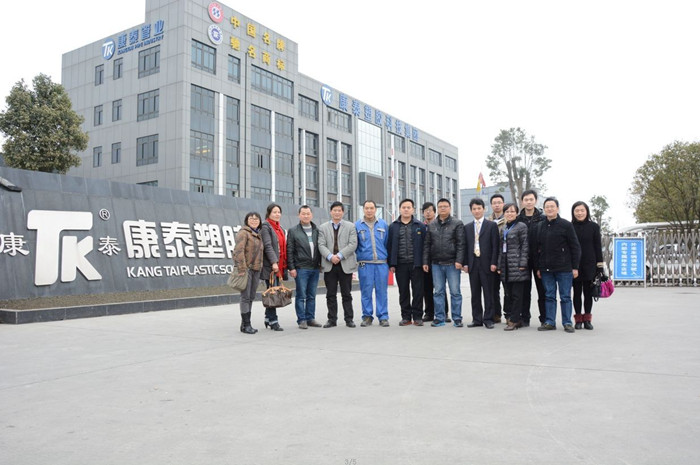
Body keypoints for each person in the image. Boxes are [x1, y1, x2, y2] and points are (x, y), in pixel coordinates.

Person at [533, 197, 581, 333]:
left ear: (557, 208)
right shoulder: (540, 226)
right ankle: (549, 322)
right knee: (549, 296)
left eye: (552, 206)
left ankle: (567, 322)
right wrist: (538, 268)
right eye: (547, 207)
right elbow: (537, 249)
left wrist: (575, 267)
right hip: (546, 268)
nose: (549, 209)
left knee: (565, 296)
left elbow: (575, 247)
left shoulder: (566, 225)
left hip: (564, 268)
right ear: (544, 209)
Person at [422, 198, 465, 327]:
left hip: (452, 264)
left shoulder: (457, 223)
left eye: (445, 206)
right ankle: (439, 317)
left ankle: (457, 318)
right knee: (438, 292)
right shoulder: (432, 225)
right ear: (438, 209)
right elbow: (427, 245)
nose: (443, 208)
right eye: (440, 206)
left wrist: (459, 260)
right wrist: (425, 261)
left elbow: (461, 244)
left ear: (450, 208)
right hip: (436, 264)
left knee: (455, 292)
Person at [318, 202, 358, 328]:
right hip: (329, 264)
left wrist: (339, 256)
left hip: (345, 264)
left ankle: (349, 319)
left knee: (347, 294)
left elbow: (353, 244)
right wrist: (330, 256)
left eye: (339, 210)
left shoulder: (350, 226)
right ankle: (332, 319)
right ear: (330, 212)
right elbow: (321, 245)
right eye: (334, 210)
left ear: (343, 212)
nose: (337, 212)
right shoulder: (323, 227)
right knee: (330, 294)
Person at [388, 198, 427, 326]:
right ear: (400, 209)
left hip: (416, 264)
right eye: (403, 207)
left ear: (413, 210)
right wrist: (392, 264)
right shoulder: (393, 226)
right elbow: (390, 246)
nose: (406, 209)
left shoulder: (420, 226)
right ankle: (406, 317)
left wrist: (424, 262)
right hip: (400, 264)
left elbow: (425, 246)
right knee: (403, 291)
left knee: (418, 291)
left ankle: (417, 317)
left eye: (408, 207)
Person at [463, 198, 500, 329]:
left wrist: (494, 262)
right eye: (474, 209)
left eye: (479, 208)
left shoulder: (491, 225)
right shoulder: (467, 227)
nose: (477, 211)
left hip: (487, 263)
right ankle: (477, 319)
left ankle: (488, 318)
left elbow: (495, 246)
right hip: (473, 263)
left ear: (484, 209)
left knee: (488, 292)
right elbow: (465, 247)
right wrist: (465, 263)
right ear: (471, 210)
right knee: (475, 293)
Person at [286, 205, 323, 329]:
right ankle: (301, 319)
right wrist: (291, 267)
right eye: (303, 213)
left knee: (312, 295)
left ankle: (310, 318)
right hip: (301, 268)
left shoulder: (317, 230)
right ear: (299, 215)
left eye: (308, 213)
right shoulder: (293, 231)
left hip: (315, 268)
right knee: (301, 295)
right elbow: (290, 250)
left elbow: (321, 248)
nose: (306, 216)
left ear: (312, 215)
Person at [356, 200, 390, 327]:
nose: (369, 210)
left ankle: (383, 316)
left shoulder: (383, 224)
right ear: (363, 209)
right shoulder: (357, 225)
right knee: (366, 291)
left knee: (382, 291)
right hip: (365, 264)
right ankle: (367, 316)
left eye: (371, 208)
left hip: (381, 263)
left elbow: (387, 242)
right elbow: (355, 245)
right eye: (367, 208)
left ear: (375, 209)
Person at [571, 201, 604, 330]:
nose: (579, 213)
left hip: (590, 264)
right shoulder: (569, 226)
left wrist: (600, 266)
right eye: (577, 211)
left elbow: (598, 247)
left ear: (587, 212)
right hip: (575, 265)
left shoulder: (594, 227)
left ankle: (587, 319)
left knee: (588, 293)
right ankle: (578, 319)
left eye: (582, 210)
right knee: (577, 293)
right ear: (573, 212)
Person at [497, 203, 530, 331]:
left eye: (512, 211)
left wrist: (522, 263)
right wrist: (499, 265)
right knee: (509, 294)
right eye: (507, 211)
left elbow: (525, 246)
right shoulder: (504, 228)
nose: (509, 214)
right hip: (506, 266)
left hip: (517, 266)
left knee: (517, 295)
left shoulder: (521, 226)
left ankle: (515, 320)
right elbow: (501, 249)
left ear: (517, 213)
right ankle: (515, 318)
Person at [517, 189, 546, 327]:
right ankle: (525, 317)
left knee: (542, 290)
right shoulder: (518, 219)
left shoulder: (543, 218)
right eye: (526, 200)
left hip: (539, 258)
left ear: (536, 201)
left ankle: (545, 318)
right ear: (522, 202)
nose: (528, 202)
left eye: (531, 199)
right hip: (523, 259)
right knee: (524, 290)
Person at [233, 212, 264, 335]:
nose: (254, 220)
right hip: (246, 269)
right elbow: (238, 251)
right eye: (251, 218)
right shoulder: (243, 233)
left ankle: (244, 324)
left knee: (251, 297)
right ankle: (247, 324)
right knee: (245, 297)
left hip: (256, 269)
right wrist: (241, 268)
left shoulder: (258, 234)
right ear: (247, 220)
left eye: (256, 219)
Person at [421, 202, 450, 323]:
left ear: (434, 212)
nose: (428, 213)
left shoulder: (438, 225)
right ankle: (429, 313)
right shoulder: (421, 226)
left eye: (430, 210)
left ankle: (444, 312)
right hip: (425, 262)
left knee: (440, 288)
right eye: (425, 210)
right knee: (426, 288)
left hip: (438, 261)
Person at [260, 203, 287, 332]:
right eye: (274, 212)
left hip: (279, 265)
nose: (277, 214)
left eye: (279, 212)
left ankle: (267, 318)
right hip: (271, 266)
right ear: (269, 213)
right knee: (273, 292)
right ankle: (273, 321)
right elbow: (268, 246)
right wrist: (274, 262)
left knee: (273, 291)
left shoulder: (279, 228)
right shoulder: (266, 227)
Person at [489, 193, 506, 322]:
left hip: (506, 259)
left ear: (503, 204)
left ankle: (509, 314)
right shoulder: (488, 221)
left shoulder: (509, 219)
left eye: (499, 202)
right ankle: (496, 314)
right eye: (494, 203)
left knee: (508, 290)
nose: (497, 205)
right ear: (491, 205)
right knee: (493, 289)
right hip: (492, 259)